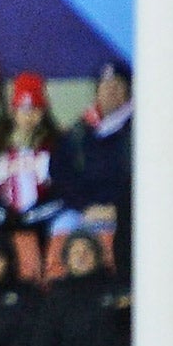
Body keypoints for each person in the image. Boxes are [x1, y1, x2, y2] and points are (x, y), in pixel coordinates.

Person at [25, 232, 128, 346]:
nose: (81, 256)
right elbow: (41, 344)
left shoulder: (116, 291)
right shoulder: (56, 296)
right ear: (66, 259)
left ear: (98, 256)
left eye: (87, 251)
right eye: (75, 252)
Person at [0, 73, 64, 234]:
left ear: (43, 112)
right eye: (24, 109)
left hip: (44, 226)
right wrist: (3, 217)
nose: (29, 117)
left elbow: (63, 193)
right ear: (14, 111)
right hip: (0, 225)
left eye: (35, 110)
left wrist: (29, 217)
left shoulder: (55, 147)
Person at [53, 60, 131, 232]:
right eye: (105, 84)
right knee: (62, 227)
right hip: (84, 211)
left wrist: (119, 209)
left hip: (125, 213)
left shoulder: (138, 131)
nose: (111, 90)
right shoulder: (80, 130)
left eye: (117, 85)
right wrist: (85, 207)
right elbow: (61, 174)